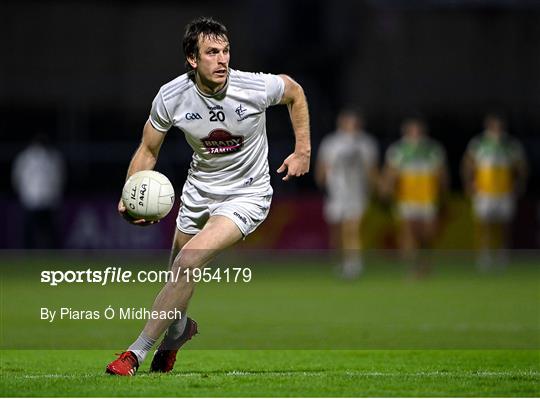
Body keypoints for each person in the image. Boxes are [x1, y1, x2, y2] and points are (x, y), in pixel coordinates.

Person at [106, 17, 310, 376]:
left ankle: (134, 354)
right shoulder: (172, 96)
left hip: (247, 194)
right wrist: (131, 190)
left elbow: (293, 90)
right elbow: (148, 149)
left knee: (187, 263)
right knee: (176, 274)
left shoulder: (252, 87)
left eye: (226, 51)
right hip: (199, 191)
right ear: (192, 59)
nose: (222, 60)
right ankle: (178, 332)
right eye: (211, 52)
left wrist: (303, 151)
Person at [380, 118, 448, 277]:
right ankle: (412, 267)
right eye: (412, 130)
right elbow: (390, 172)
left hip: (427, 198)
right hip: (406, 198)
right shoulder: (398, 150)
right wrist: (386, 189)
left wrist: (443, 193)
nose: (415, 134)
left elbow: (442, 173)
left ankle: (425, 265)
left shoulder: (432, 149)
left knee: (427, 234)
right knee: (408, 233)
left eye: (418, 130)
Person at [315, 109, 378, 278]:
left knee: (352, 228)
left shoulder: (366, 143)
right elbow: (322, 166)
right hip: (336, 192)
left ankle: (353, 264)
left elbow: (370, 169)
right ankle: (341, 260)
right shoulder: (331, 142)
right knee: (337, 232)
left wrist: (375, 188)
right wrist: (322, 184)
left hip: (357, 192)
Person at [461, 113, 527, 270]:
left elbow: (521, 166)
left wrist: (519, 183)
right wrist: (469, 183)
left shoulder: (510, 144)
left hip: (505, 190)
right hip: (484, 191)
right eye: (493, 125)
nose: (496, 129)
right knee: (484, 223)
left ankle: (503, 254)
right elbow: (468, 164)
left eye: (499, 126)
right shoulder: (478, 143)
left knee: (505, 225)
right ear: (488, 126)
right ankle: (484, 255)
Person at [12, 133, 65, 249]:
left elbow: (58, 178)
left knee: (47, 231)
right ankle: (29, 252)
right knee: (32, 231)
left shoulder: (52, 157)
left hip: (43, 200)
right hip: (34, 199)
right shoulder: (27, 157)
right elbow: (18, 177)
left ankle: (50, 252)